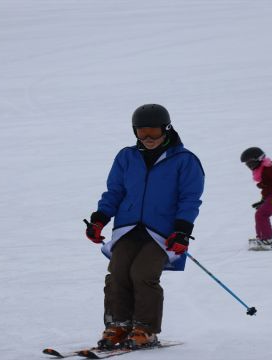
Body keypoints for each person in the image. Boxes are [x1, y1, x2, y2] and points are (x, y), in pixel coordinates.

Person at [84, 104, 205, 349]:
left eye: (153, 132)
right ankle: (117, 325)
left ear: (166, 129)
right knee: (117, 274)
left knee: (143, 274)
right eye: (142, 132)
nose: (148, 138)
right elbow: (114, 192)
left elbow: (189, 199)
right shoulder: (126, 157)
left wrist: (182, 231)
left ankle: (145, 329)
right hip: (128, 227)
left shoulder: (184, 160)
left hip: (162, 232)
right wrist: (99, 219)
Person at [240, 147, 272, 250]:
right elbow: (267, 188)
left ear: (259, 159)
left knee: (261, 214)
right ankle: (262, 238)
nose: (249, 166)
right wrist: (263, 201)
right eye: (247, 164)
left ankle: (267, 239)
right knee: (259, 213)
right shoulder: (262, 170)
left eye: (251, 163)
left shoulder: (269, 168)